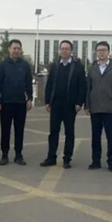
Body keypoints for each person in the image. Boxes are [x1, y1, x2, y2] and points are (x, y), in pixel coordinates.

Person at [41, 40, 86, 169]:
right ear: (59, 51)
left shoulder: (77, 66)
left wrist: (79, 102)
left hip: (70, 105)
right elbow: (50, 84)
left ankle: (67, 158)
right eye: (62, 49)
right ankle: (51, 157)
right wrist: (47, 101)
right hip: (56, 104)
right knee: (53, 132)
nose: (64, 51)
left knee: (69, 133)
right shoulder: (55, 65)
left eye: (67, 49)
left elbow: (82, 86)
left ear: (71, 51)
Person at [85, 41, 112, 172]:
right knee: (95, 136)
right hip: (95, 108)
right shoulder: (92, 68)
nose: (101, 52)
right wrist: (87, 105)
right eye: (99, 50)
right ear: (96, 52)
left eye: (104, 50)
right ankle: (95, 161)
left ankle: (111, 162)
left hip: (110, 108)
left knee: (110, 136)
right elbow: (88, 88)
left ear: (108, 52)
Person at [0, 39, 33, 165]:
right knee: (5, 130)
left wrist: (30, 98)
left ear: (21, 50)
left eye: (18, 48)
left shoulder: (25, 65)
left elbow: (29, 83)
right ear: (9, 49)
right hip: (6, 103)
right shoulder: (3, 65)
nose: (16, 51)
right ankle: (4, 154)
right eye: (14, 48)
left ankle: (18, 154)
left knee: (19, 130)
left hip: (20, 103)